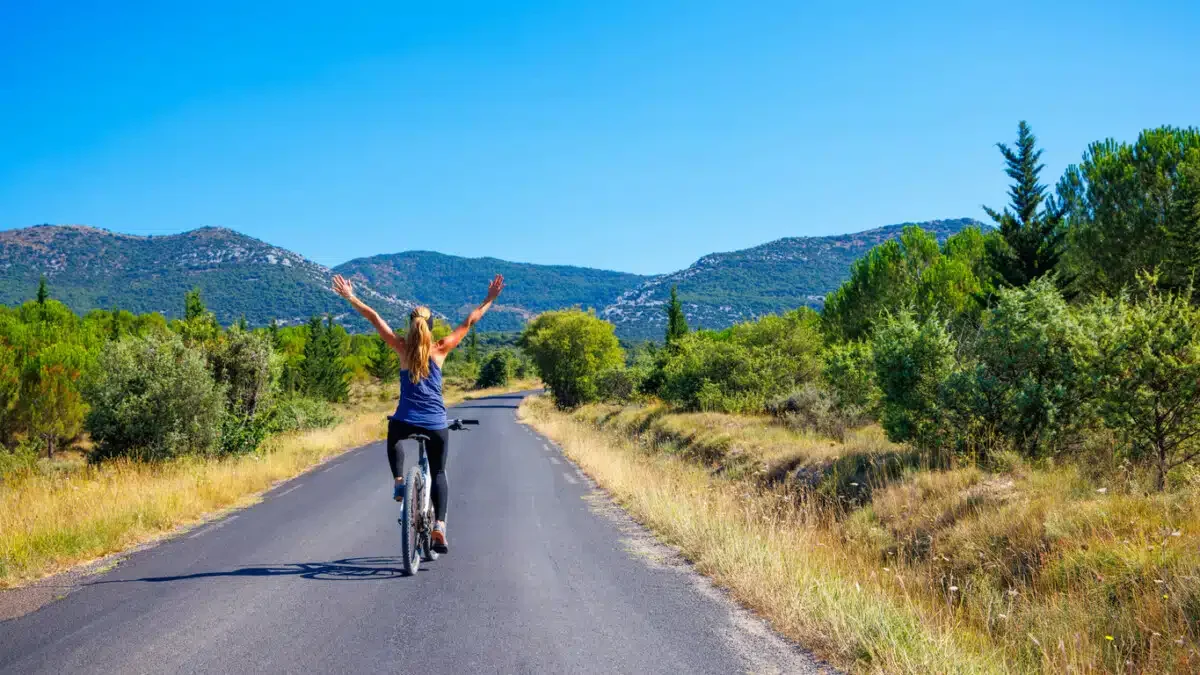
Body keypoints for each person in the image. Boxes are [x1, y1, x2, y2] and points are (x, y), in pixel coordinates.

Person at [331, 272, 504, 553]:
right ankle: (440, 527)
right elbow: (470, 321)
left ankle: (400, 482)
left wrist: (351, 297)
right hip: (435, 424)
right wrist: (489, 299)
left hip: (405, 421)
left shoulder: (401, 348)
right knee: (439, 472)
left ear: (410, 327)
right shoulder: (441, 349)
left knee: (394, 434)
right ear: (430, 327)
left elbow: (374, 318)